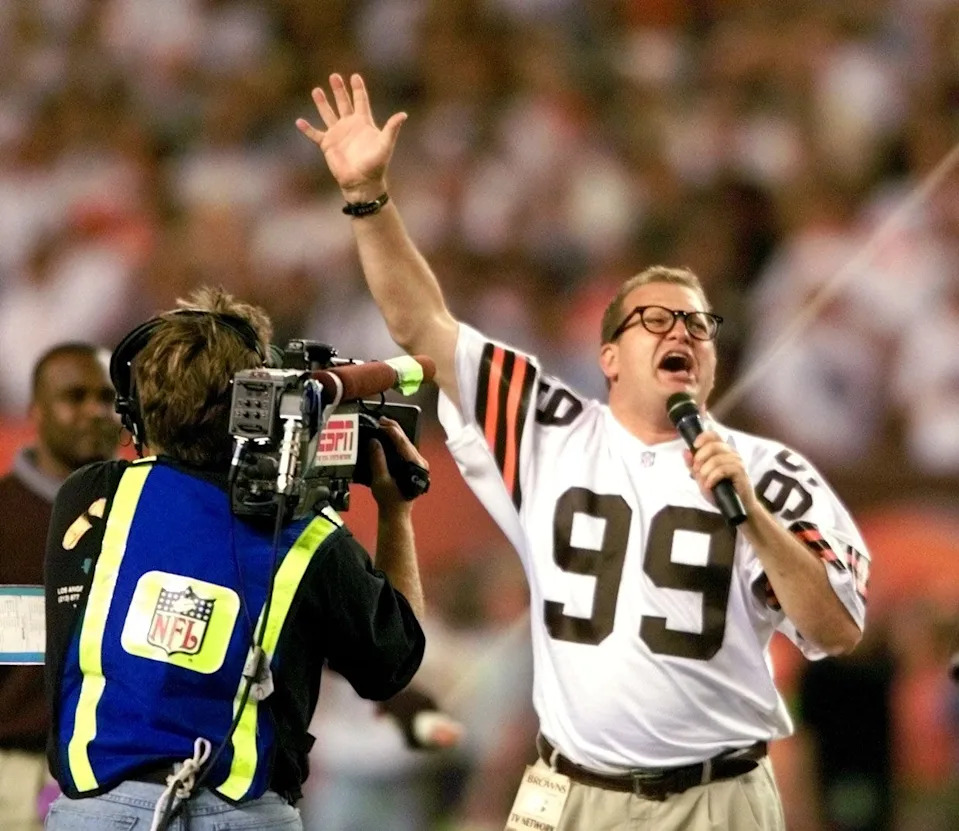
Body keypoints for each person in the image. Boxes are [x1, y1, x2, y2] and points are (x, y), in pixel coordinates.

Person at [297, 73, 871, 830]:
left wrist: (753, 516)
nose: (682, 335)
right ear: (607, 355)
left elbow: (835, 630)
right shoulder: (547, 428)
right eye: (657, 320)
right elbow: (422, 325)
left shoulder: (770, 472)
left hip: (717, 794)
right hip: (570, 790)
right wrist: (369, 198)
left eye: (699, 326)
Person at [43, 286, 428, 830]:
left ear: (136, 407)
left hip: (95, 813)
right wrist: (396, 513)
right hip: (245, 814)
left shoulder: (89, 499)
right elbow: (394, 664)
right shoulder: (310, 536)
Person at [0, 342, 119, 831]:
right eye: (76, 397)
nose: (95, 411)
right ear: (36, 411)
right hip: (13, 770)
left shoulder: (146, 513)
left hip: (120, 774)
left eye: (108, 397)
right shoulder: (4, 518)